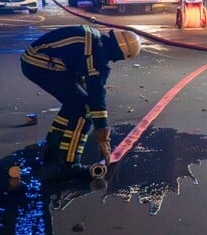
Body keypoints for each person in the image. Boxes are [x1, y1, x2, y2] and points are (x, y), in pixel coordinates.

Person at [20, 25, 141, 178]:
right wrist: (102, 131)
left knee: (74, 102)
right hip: (39, 64)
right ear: (121, 55)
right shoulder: (98, 54)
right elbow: (96, 93)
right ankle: (69, 164)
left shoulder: (97, 41)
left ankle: (54, 146)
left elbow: (82, 67)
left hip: (38, 59)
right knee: (83, 108)